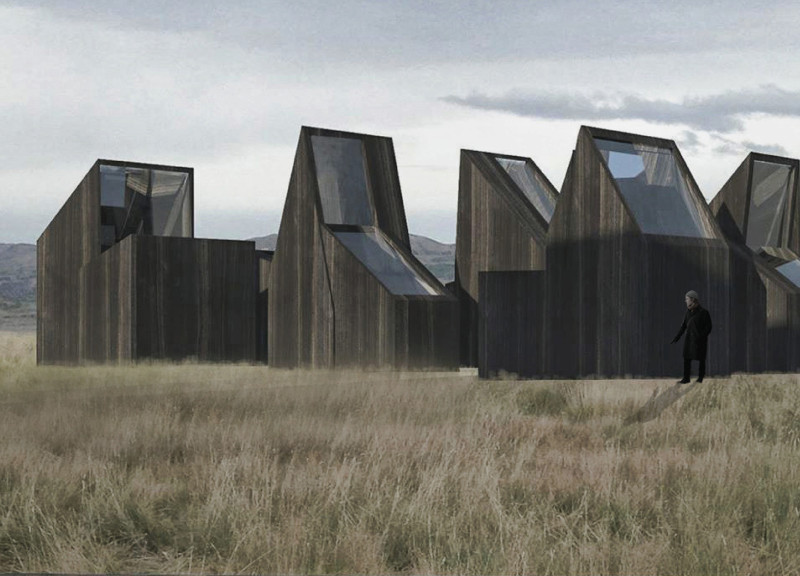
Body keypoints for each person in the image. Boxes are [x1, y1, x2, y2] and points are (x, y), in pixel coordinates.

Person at [671, 290, 712, 383]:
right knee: (687, 359)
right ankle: (686, 378)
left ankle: (700, 378)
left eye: (687, 299)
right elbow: (683, 326)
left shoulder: (704, 312)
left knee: (701, 359)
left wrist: (701, 336)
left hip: (699, 340)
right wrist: (677, 337)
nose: (685, 301)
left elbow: (708, 327)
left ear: (693, 300)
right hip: (689, 340)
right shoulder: (688, 312)